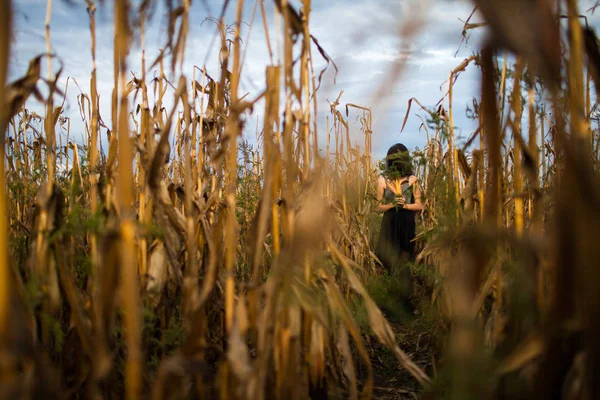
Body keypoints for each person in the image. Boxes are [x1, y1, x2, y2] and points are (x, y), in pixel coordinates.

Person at [374, 143, 423, 310]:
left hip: (406, 225)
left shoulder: (413, 180)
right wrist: (392, 205)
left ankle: (406, 303)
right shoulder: (382, 180)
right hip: (389, 224)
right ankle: (390, 304)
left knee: (405, 262)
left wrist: (404, 206)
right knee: (389, 261)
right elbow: (378, 207)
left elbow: (419, 206)